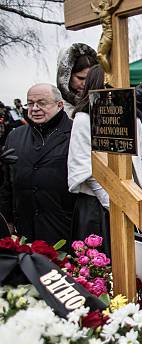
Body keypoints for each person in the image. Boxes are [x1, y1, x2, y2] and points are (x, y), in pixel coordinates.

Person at [68, 65, 142, 254]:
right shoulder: (83, 119)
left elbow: (139, 163)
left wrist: (132, 201)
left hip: (130, 200)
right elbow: (85, 168)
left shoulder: (133, 118)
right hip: (97, 208)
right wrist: (117, 204)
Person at [0, 84, 76, 243]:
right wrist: (7, 219)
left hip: (64, 227)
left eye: (42, 103)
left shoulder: (75, 133)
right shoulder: (15, 137)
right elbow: (7, 183)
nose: (34, 108)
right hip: (25, 229)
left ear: (59, 105)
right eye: (30, 103)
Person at [56, 43, 98, 118]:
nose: (85, 83)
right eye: (80, 78)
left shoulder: (103, 102)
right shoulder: (54, 106)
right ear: (67, 76)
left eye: (89, 78)